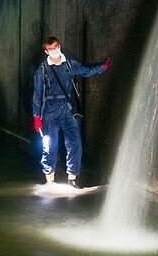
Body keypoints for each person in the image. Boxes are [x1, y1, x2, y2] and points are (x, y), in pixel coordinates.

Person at [32, 36, 110, 188]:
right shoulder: (41, 70)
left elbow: (86, 71)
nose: (54, 51)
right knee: (49, 146)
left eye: (56, 47)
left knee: (74, 143)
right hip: (50, 111)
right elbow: (37, 94)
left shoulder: (70, 64)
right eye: (50, 49)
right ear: (46, 52)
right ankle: (50, 180)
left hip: (67, 109)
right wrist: (36, 116)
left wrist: (103, 67)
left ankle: (72, 178)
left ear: (59, 46)